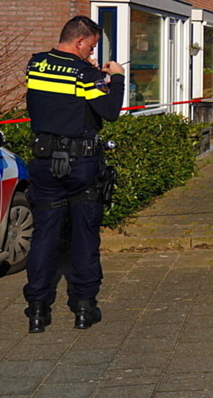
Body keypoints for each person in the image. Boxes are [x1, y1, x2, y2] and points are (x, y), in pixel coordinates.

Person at [24, 16, 125, 333]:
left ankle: (38, 311)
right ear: (80, 41)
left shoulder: (36, 64)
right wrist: (115, 78)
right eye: (91, 46)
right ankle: (84, 307)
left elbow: (59, 102)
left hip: (43, 161)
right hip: (81, 163)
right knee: (84, 236)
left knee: (43, 236)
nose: (91, 53)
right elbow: (110, 111)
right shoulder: (84, 72)